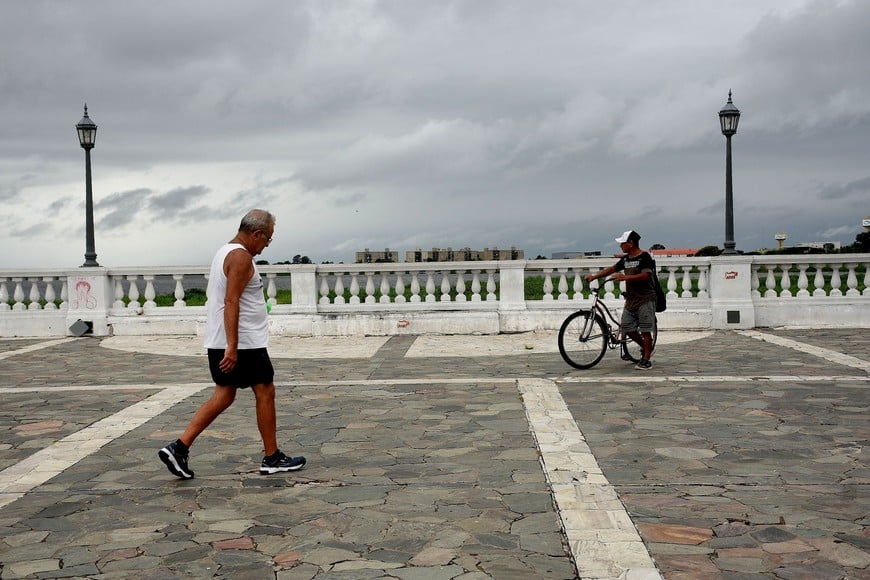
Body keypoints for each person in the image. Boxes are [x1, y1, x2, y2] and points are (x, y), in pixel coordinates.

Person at [158, 209, 306, 478]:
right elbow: (231, 302)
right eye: (267, 239)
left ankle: (178, 448)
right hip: (243, 343)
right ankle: (272, 457)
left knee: (224, 396)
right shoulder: (240, 257)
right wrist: (232, 347)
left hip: (226, 340)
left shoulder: (224, 252)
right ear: (256, 234)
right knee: (265, 391)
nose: (267, 245)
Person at [585, 230, 657, 370]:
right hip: (632, 299)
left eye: (622, 243)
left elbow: (645, 276)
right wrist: (594, 276)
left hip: (645, 298)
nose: (620, 246)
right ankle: (646, 347)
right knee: (627, 327)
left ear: (631, 243)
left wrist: (625, 278)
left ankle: (646, 359)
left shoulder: (644, 257)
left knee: (645, 330)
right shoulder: (626, 259)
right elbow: (612, 269)